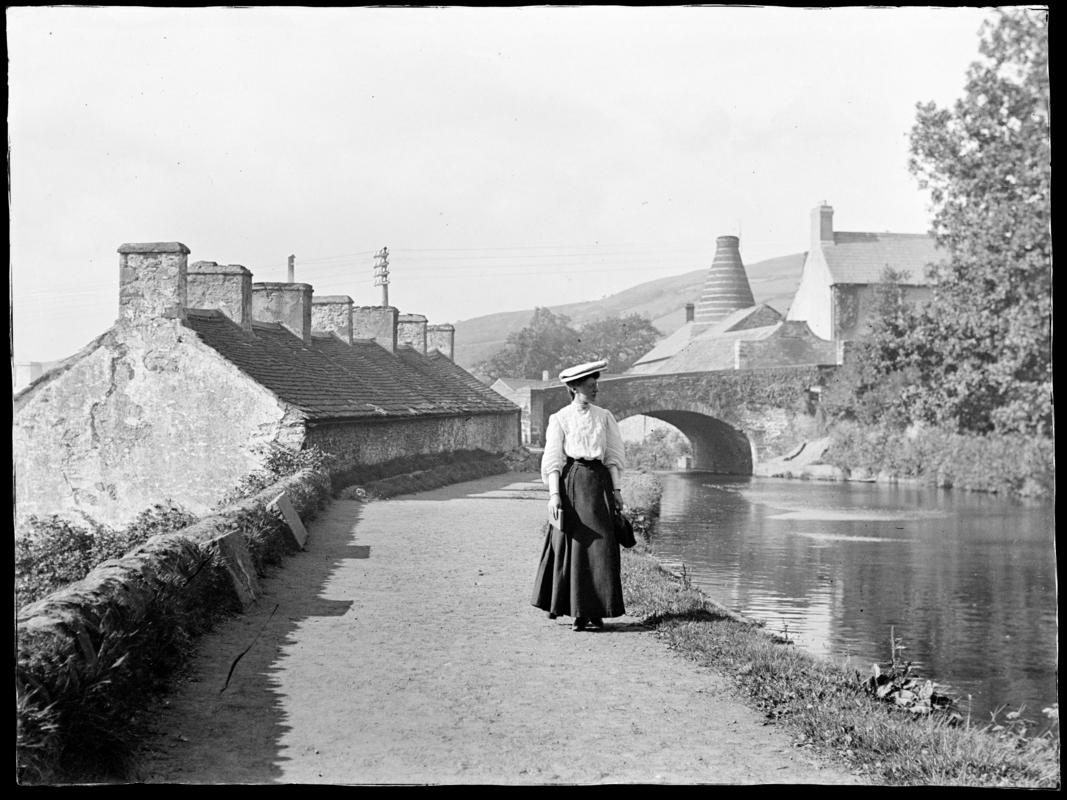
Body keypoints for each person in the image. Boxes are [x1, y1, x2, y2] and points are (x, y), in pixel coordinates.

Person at [531, 359, 627, 631]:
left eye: (596, 383)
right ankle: (577, 611)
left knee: (602, 545)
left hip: (599, 484)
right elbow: (553, 459)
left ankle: (597, 610)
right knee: (576, 545)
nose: (595, 388)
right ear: (573, 388)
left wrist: (617, 490)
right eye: (589, 384)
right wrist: (554, 495)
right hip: (572, 483)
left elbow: (613, 457)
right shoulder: (560, 418)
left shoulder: (605, 416)